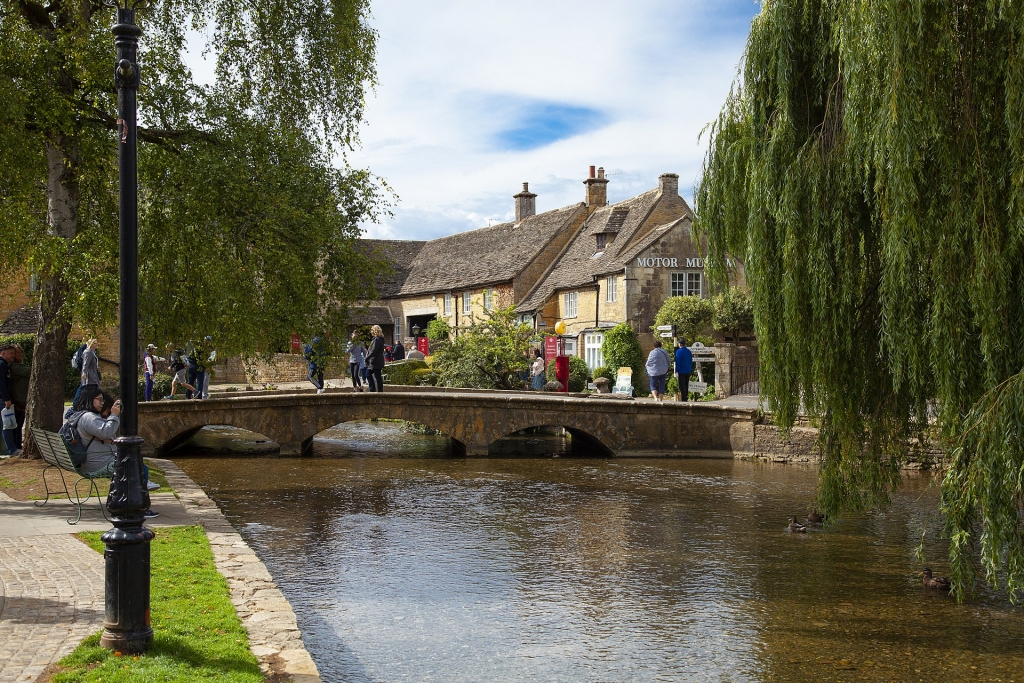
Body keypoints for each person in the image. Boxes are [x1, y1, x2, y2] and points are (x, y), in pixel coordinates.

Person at [71, 385, 159, 516]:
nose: (102, 403)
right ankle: (138, 507)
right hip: (96, 463)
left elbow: (103, 435)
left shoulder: (81, 416)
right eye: (99, 400)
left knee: (134, 463)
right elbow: (106, 432)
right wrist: (114, 415)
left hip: (93, 460)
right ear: (90, 399)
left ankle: (138, 495)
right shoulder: (89, 417)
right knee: (131, 465)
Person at [0, 344, 19, 456]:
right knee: (7, 424)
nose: (13, 356)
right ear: (3, 353)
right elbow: (1, 384)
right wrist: (7, 398)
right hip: (3, 400)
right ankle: (11, 449)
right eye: (11, 353)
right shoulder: (2, 364)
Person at [9, 346, 29, 451]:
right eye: (17, 353)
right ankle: (15, 446)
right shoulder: (14, 367)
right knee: (16, 424)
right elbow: (29, 372)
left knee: (19, 424)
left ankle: (18, 445)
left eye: (21, 353)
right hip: (18, 399)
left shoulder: (19, 366)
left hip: (22, 398)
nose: (20, 355)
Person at [365, 324, 386, 392]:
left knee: (372, 375)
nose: (371, 332)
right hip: (376, 361)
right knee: (374, 376)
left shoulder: (377, 340)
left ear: (375, 331)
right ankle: (375, 390)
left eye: (371, 330)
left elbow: (373, 351)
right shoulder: (378, 339)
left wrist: (366, 358)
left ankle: (374, 390)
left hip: (375, 361)